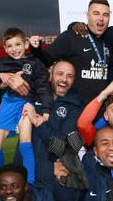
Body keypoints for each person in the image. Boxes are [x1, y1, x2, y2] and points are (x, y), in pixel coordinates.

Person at [0, 27, 53, 183]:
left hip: (26, 104)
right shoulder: (2, 63)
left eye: (18, 44)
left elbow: (43, 87)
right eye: (10, 46)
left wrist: (46, 112)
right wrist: (0, 75)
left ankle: (30, 183)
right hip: (7, 103)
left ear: (26, 44)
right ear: (5, 48)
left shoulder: (34, 63)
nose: (14, 49)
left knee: (25, 143)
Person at [29, 0, 111, 103]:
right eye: (96, 13)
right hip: (75, 108)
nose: (101, 18)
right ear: (87, 15)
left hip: (100, 108)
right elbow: (47, 59)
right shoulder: (71, 36)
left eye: (105, 15)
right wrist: (36, 49)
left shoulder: (110, 40)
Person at [28, 60, 85, 189]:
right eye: (60, 73)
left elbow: (60, 146)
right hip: (24, 174)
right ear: (51, 75)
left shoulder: (76, 107)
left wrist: (40, 124)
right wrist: (3, 76)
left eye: (69, 76)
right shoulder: (35, 94)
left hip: (50, 180)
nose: (64, 79)